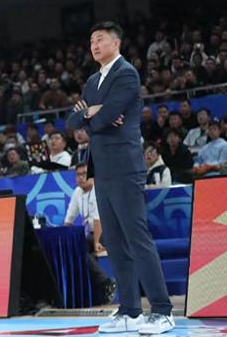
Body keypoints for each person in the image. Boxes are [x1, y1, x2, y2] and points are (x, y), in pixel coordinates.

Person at [67, 22, 174, 334]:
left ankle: (162, 310)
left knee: (137, 237)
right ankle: (130, 310)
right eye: (91, 40)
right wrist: (94, 113)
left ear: (116, 43)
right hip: (101, 171)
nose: (94, 45)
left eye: (100, 39)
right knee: (113, 241)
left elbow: (105, 117)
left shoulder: (126, 73)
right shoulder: (92, 80)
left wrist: (93, 114)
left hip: (125, 167)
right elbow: (74, 121)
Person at [63, 164, 116, 305]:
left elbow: (98, 219)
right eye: (78, 174)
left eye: (84, 174)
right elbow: (69, 218)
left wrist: (97, 242)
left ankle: (105, 282)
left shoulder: (98, 190)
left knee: (83, 249)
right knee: (75, 249)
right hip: (90, 234)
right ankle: (96, 289)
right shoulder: (77, 192)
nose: (81, 177)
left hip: (107, 230)